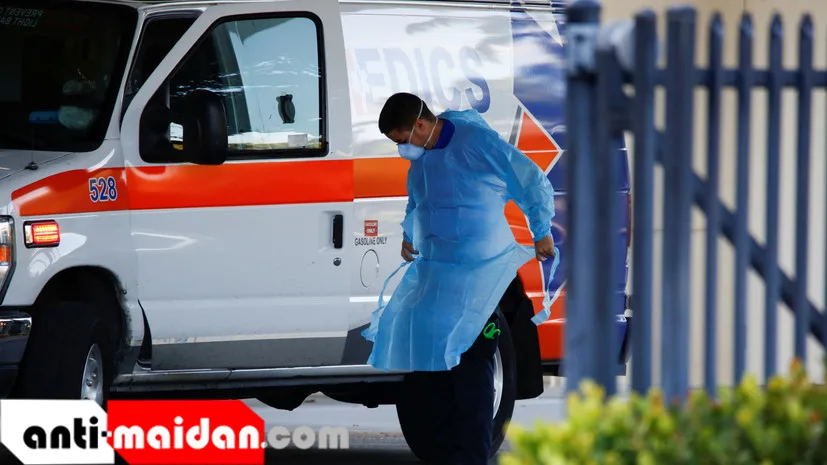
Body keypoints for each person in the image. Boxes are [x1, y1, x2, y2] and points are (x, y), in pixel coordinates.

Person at [361, 93, 559, 465]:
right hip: (439, 276)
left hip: (480, 275)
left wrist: (541, 231)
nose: (402, 148)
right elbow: (419, 201)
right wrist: (409, 235)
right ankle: (445, 452)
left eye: (402, 140)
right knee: (432, 366)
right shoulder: (423, 160)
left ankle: (470, 457)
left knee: (472, 368)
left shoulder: (476, 144)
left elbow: (529, 179)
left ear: (420, 125)